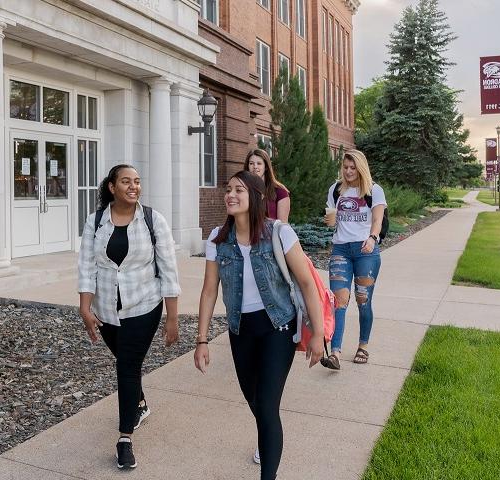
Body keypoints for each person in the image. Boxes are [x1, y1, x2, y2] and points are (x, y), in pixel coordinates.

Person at [193, 171, 325, 480]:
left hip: (278, 327)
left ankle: (268, 474)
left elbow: (306, 283)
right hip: (241, 331)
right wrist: (201, 341)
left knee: (266, 405)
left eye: (239, 189)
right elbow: (209, 290)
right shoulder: (218, 240)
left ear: (255, 196)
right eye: (228, 189)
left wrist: (317, 334)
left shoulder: (278, 233)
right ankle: (269, 435)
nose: (230, 194)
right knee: (256, 401)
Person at [77, 164, 181, 470]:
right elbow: (87, 266)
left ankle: (125, 439)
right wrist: (85, 307)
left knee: (127, 365)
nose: (133, 186)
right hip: (106, 310)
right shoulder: (96, 221)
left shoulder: (152, 220)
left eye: (137, 181)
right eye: (126, 181)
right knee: (127, 364)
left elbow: (169, 270)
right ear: (112, 187)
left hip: (144, 306)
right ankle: (139, 401)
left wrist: (172, 317)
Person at [320, 149, 386, 369]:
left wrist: (372, 238)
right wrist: (330, 220)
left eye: (352, 168)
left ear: (361, 167)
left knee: (363, 301)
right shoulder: (336, 189)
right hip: (341, 249)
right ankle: (335, 353)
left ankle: (363, 346)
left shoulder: (374, 190)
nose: (348, 171)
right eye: (345, 167)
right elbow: (332, 218)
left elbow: (377, 219)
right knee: (338, 302)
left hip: (365, 251)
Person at [244, 148, 291, 221]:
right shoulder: (242, 189)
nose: (255, 166)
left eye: (259, 163)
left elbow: (282, 226)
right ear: (248, 166)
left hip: (271, 232)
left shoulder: (280, 192)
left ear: (266, 167)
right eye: (251, 163)